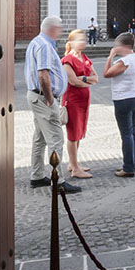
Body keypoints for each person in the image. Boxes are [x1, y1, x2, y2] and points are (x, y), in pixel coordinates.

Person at [25, 16, 81, 193]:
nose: (61, 31)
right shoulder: (44, 45)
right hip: (43, 98)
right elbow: (43, 75)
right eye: (60, 28)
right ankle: (58, 182)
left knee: (40, 137)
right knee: (56, 139)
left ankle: (37, 176)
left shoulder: (36, 42)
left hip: (36, 96)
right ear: (53, 29)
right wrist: (49, 98)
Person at [103, 32, 135, 177]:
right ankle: (134, 163)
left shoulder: (124, 61)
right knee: (133, 130)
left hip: (123, 98)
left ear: (123, 46)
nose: (115, 48)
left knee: (126, 133)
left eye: (116, 45)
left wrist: (110, 57)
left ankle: (128, 167)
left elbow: (107, 74)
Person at [61, 29, 97, 179]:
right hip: (73, 100)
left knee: (80, 130)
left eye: (85, 39)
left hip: (83, 99)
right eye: (80, 39)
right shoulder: (67, 60)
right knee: (73, 133)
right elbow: (72, 81)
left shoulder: (85, 58)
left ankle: (73, 163)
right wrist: (85, 81)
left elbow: (96, 78)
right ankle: (75, 168)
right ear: (72, 42)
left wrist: (83, 79)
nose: (84, 42)